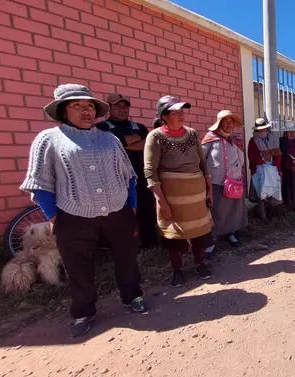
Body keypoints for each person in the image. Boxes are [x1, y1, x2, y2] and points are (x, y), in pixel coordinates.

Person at [20, 84, 147, 338]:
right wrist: (54, 216)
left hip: (118, 213)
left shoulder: (109, 139)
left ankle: (132, 296)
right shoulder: (49, 140)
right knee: (78, 266)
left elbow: (128, 176)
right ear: (63, 111)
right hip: (73, 215)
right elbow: (40, 183)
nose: (85, 111)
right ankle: (83, 311)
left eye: (88, 105)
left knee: (127, 258)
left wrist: (130, 206)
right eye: (76, 106)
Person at [144, 96, 213, 287]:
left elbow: (203, 163)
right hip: (172, 196)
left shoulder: (191, 134)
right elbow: (150, 171)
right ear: (164, 116)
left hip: (197, 193)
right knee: (175, 235)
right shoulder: (156, 136)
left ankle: (200, 263)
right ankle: (177, 270)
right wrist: (161, 201)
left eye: (182, 111)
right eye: (175, 112)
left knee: (201, 231)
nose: (181, 115)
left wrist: (209, 190)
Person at [96, 93, 158, 248]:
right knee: (122, 213)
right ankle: (126, 245)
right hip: (116, 177)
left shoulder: (139, 126)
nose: (122, 109)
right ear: (109, 107)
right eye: (118, 106)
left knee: (146, 209)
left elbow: (148, 144)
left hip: (141, 175)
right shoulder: (101, 127)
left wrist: (121, 143)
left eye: (125, 106)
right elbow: (109, 145)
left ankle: (150, 243)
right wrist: (132, 140)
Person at [201, 110, 248, 248]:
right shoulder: (210, 139)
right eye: (226, 121)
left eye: (231, 121)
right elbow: (201, 160)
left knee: (234, 209)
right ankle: (212, 239)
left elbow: (241, 159)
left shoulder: (234, 141)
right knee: (216, 211)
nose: (229, 124)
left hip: (235, 183)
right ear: (219, 123)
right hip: (216, 183)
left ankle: (231, 234)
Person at [247, 118, 282, 220]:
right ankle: (263, 215)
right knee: (261, 193)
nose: (263, 132)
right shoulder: (253, 141)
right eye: (260, 130)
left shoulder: (273, 139)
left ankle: (272, 214)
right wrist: (263, 160)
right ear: (257, 131)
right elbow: (252, 156)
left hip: (272, 168)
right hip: (260, 169)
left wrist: (276, 166)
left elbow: (278, 154)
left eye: (264, 130)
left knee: (272, 191)